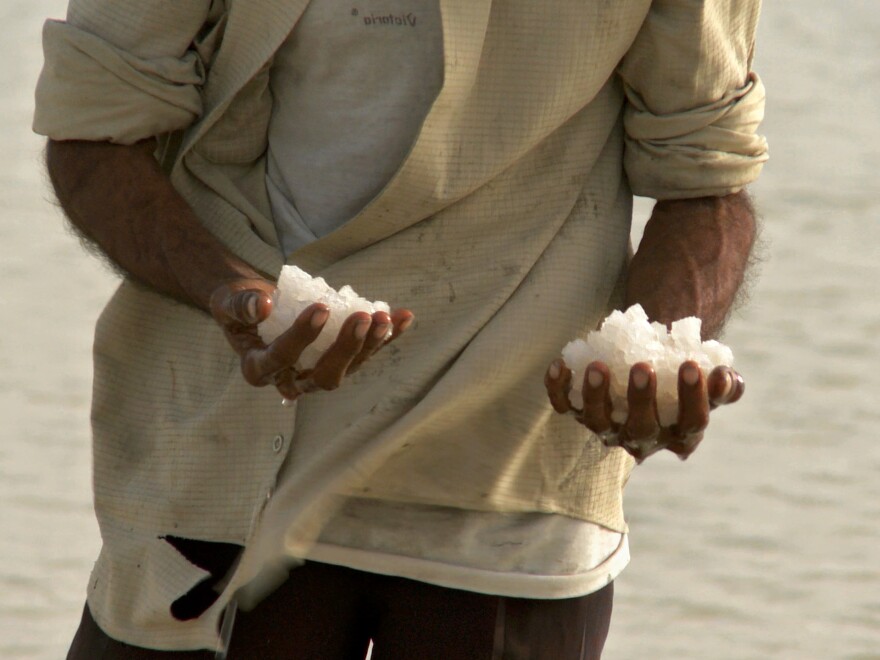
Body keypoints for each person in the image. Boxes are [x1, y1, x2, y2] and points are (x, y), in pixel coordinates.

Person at [34, 0, 767, 657]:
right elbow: (97, 133)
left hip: (510, 502)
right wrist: (234, 294)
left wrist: (666, 349)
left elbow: (705, 175)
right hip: (221, 471)